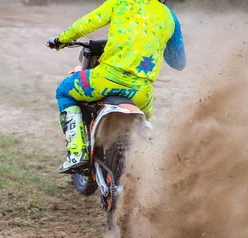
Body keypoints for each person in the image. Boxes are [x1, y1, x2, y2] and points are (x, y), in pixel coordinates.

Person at [47, 0, 186, 173]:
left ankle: (77, 153)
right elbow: (179, 62)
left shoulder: (120, 3)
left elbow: (86, 24)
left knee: (64, 91)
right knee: (142, 123)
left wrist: (60, 40)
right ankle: (142, 164)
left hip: (103, 80)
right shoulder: (169, 17)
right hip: (141, 93)